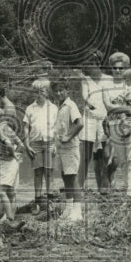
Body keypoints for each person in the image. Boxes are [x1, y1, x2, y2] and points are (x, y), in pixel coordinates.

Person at [102, 51, 131, 197]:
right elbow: (108, 106)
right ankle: (125, 184)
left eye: (121, 68)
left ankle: (130, 189)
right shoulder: (106, 85)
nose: (118, 71)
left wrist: (123, 107)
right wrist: (127, 108)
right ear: (111, 69)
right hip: (114, 123)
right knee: (121, 158)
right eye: (115, 68)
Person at [0, 105, 29, 222]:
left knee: (1, 192)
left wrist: (13, 154)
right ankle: (11, 217)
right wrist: (16, 155)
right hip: (14, 162)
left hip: (8, 162)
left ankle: (10, 219)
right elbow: (21, 144)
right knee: (11, 193)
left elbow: (9, 144)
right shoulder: (7, 127)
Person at [51, 78, 84, 222]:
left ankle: (78, 211)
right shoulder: (59, 106)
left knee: (73, 177)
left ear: (67, 91)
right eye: (56, 91)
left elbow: (80, 123)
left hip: (70, 147)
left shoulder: (71, 105)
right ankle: (69, 208)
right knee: (65, 177)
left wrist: (69, 137)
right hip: (60, 147)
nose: (58, 93)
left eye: (61, 90)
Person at [77, 58, 111, 195]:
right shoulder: (86, 80)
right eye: (88, 65)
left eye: (93, 65)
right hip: (89, 118)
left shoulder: (108, 79)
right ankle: (79, 186)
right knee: (85, 154)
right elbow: (84, 95)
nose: (91, 68)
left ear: (99, 65)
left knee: (103, 155)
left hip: (103, 118)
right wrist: (89, 104)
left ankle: (103, 186)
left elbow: (108, 99)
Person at [23, 78, 58, 210]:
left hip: (49, 143)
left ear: (47, 92)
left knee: (49, 172)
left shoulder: (53, 108)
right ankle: (37, 201)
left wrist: (56, 144)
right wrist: (26, 144)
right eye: (36, 91)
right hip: (35, 143)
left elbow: (57, 128)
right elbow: (26, 127)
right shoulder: (30, 108)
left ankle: (50, 201)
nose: (39, 93)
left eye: (42, 91)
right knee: (37, 173)